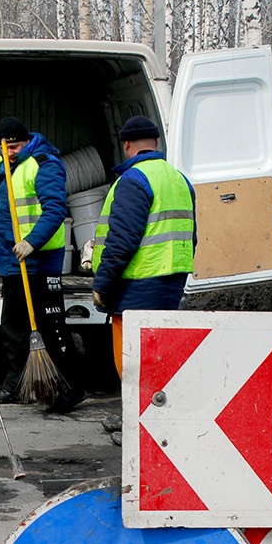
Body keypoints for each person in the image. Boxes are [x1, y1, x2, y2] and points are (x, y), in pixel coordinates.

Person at [0, 116, 87, 413]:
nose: (10, 153)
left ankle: (70, 388)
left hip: (40, 262)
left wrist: (32, 241)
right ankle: (19, 383)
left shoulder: (45, 164)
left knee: (51, 327)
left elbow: (55, 209)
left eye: (15, 146)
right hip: (12, 262)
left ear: (26, 140)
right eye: (6, 148)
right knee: (13, 327)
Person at [90, 115, 197, 443]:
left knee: (132, 361)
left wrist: (102, 285)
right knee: (155, 355)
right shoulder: (179, 180)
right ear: (156, 144)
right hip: (170, 278)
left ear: (126, 145)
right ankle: (135, 417)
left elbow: (121, 241)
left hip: (138, 282)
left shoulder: (134, 181)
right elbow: (191, 234)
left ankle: (140, 430)